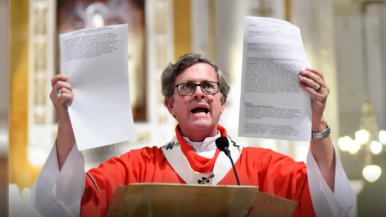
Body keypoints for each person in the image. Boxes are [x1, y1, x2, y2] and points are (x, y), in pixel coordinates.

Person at [31, 53, 355, 217]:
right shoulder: (137, 167)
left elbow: (329, 201)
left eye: (208, 86)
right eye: (186, 87)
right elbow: (64, 202)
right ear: (170, 105)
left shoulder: (263, 166)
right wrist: (68, 122)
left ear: (222, 102)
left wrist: (317, 120)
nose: (199, 93)